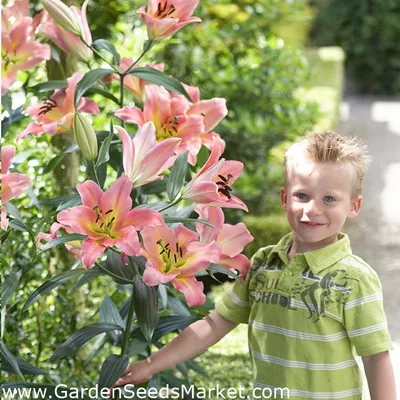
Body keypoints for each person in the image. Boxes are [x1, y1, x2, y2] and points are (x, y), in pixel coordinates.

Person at [114, 131, 396, 400]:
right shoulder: (263, 263)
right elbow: (214, 324)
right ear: (285, 199)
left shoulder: (355, 279)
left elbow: (374, 357)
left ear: (354, 206)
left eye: (329, 199)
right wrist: (150, 364)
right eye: (302, 196)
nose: (313, 209)